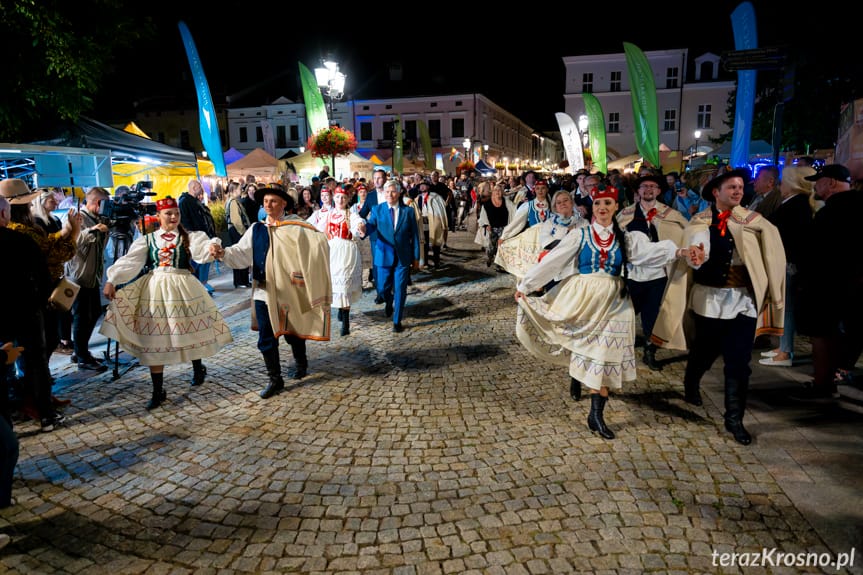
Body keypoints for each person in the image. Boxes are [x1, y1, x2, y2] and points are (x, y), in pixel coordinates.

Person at [514, 186, 689, 439]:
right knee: (587, 348)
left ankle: (596, 414)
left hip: (615, 302)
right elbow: (554, 260)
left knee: (606, 355)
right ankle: (581, 382)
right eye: (598, 204)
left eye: (608, 203)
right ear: (593, 208)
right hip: (585, 297)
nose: (603, 208)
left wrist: (679, 251)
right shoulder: (580, 234)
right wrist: (526, 286)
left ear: (616, 207)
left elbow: (648, 253)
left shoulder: (625, 237)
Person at [652, 168, 786, 445]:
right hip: (710, 300)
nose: (737, 191)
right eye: (731, 187)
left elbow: (771, 253)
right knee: (704, 351)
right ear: (716, 192)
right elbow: (693, 251)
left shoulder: (754, 221)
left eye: (740, 187)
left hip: (742, 301)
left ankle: (734, 419)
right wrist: (696, 257)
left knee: (739, 362)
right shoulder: (699, 222)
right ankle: (691, 381)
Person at [100, 196, 232, 410]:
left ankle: (198, 367)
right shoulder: (148, 240)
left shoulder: (190, 236)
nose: (173, 217)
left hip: (183, 287)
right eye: (168, 214)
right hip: (155, 290)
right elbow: (131, 262)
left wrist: (213, 248)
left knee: (188, 330)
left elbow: (203, 248)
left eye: (176, 213)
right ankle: (157, 389)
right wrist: (112, 280)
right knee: (154, 338)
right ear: (159, 216)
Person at [210, 187, 331, 398]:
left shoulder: (297, 228)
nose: (268, 205)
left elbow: (317, 244)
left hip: (289, 289)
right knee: (266, 336)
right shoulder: (257, 229)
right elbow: (241, 253)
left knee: (293, 331)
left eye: (273, 201)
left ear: (283, 204)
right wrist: (223, 253)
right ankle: (275, 379)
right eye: (265, 201)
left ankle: (301, 362)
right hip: (263, 291)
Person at [1, 178, 79, 430]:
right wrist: (72, 233)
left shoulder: (26, 229)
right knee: (34, 355)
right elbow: (49, 258)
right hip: (28, 306)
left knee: (14, 358)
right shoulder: (21, 234)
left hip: (14, 308)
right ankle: (37, 405)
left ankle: (21, 404)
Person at [794, 164, 863, 398]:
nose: (815, 185)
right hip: (852, 286)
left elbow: (815, 252)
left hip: (829, 286)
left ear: (831, 183)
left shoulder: (831, 212)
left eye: (819, 181)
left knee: (823, 335)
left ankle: (824, 384)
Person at [616, 174, 687, 371]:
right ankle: (618, 347)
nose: (648, 189)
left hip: (658, 275)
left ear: (659, 191)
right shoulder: (624, 214)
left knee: (653, 315)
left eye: (653, 186)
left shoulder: (671, 215)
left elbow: (685, 233)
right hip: (632, 274)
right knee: (625, 312)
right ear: (637, 191)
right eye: (644, 186)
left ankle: (650, 350)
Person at [0, 193, 54, 433]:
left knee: (3, 365)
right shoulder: (22, 240)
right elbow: (44, 278)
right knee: (36, 361)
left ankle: (7, 421)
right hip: (26, 312)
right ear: (4, 214)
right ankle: (46, 415)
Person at [759, 166, 815, 368]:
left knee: (787, 308)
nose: (780, 185)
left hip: (789, 263)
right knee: (784, 307)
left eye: (783, 182)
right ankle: (783, 346)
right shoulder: (797, 203)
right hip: (788, 262)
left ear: (792, 185)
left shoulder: (796, 205)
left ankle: (785, 351)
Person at [357, 180, 420, 333]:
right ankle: (388, 299)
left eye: (392, 191)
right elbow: (371, 225)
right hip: (383, 255)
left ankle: (397, 321)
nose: (389, 195)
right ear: (383, 194)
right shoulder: (377, 209)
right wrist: (364, 229)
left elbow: (415, 236)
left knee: (400, 288)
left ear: (398, 193)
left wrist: (416, 258)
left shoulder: (408, 211)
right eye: (387, 192)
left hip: (402, 257)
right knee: (382, 288)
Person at [65, 186, 111, 371]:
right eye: (105, 203)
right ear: (97, 202)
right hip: (78, 276)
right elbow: (72, 241)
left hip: (92, 276)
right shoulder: (78, 218)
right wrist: (94, 230)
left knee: (93, 313)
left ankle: (80, 350)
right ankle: (82, 356)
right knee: (83, 316)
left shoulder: (98, 218)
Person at [309, 187, 363, 337]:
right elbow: (317, 229)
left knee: (344, 287)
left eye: (343, 198)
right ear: (334, 198)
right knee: (336, 286)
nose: (340, 200)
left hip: (347, 251)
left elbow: (357, 223)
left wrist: (360, 226)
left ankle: (345, 323)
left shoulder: (350, 214)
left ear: (347, 200)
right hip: (332, 252)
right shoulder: (328, 215)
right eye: (338, 197)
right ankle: (340, 309)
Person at [31, 188, 74, 355]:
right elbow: (50, 246)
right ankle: (60, 341)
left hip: (57, 272)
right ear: (41, 202)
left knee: (62, 307)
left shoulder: (53, 218)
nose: (56, 203)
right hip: (47, 274)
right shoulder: (36, 222)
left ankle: (63, 338)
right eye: (51, 201)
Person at [178, 179, 217, 294]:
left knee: (206, 259)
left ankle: (203, 282)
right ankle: (197, 284)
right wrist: (191, 233)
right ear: (194, 188)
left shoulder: (194, 201)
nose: (201, 190)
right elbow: (185, 221)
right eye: (200, 187)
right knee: (198, 260)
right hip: (195, 237)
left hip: (203, 235)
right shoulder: (185, 201)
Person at [476, 181, 516, 268]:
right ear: (492, 192)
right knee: (491, 247)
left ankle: (499, 264)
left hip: (504, 228)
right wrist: (486, 225)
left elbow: (515, 210)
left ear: (502, 192)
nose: (497, 192)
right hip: (492, 228)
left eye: (499, 190)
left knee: (501, 246)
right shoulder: (487, 204)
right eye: (495, 190)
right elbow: (482, 217)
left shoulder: (507, 202)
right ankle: (490, 257)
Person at [224, 181, 252, 288]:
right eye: (239, 188)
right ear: (234, 190)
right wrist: (243, 233)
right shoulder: (234, 202)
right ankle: (241, 281)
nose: (241, 190)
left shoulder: (232, 201)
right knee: (240, 254)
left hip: (235, 231)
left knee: (238, 254)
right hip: (237, 232)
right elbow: (236, 220)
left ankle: (242, 280)